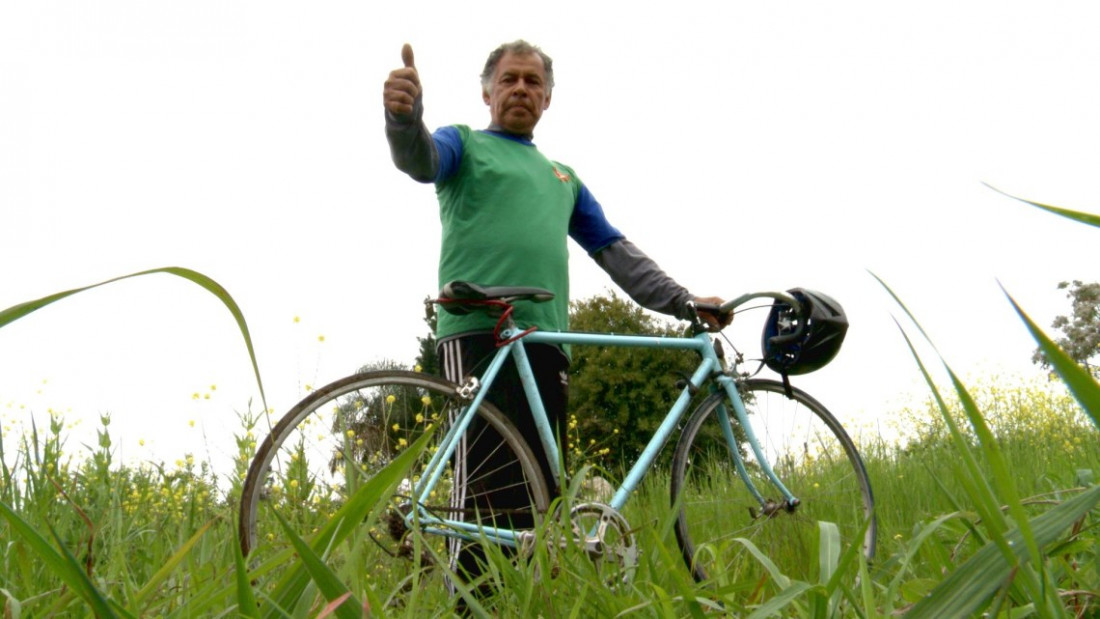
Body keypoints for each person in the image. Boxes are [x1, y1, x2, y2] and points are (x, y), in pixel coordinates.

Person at [383, 39, 729, 596]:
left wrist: (683, 302)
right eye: (509, 79)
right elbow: (420, 159)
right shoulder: (464, 143)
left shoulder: (562, 176)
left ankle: (518, 605)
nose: (521, 88)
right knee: (485, 492)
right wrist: (403, 120)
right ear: (487, 91)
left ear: (547, 98)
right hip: (479, 330)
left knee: (539, 498)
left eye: (533, 82)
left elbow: (615, 251)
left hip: (545, 341)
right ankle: (467, 608)